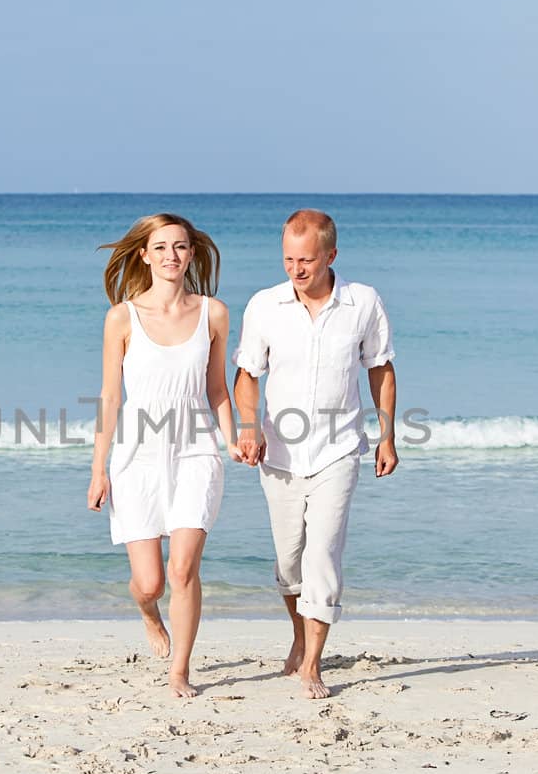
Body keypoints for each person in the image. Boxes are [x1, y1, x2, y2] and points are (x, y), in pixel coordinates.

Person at [232, 209, 398, 699]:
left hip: (339, 450)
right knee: (289, 562)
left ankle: (312, 664)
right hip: (278, 454)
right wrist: (247, 428)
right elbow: (247, 376)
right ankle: (300, 635)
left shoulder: (362, 302)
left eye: (306, 260)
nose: (296, 270)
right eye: (288, 259)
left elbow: (381, 369)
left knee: (323, 554)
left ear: (331, 255)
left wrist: (387, 436)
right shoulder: (265, 305)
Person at [87, 213, 241, 698]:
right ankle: (149, 614)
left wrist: (234, 438)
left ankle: (180, 670)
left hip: (196, 450)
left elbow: (217, 388)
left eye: (180, 246)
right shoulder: (122, 318)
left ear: (191, 254)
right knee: (150, 583)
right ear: (144, 255)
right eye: (161, 247)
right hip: (138, 455)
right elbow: (111, 398)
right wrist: (98, 468)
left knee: (183, 570)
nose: (171, 255)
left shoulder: (214, 313)